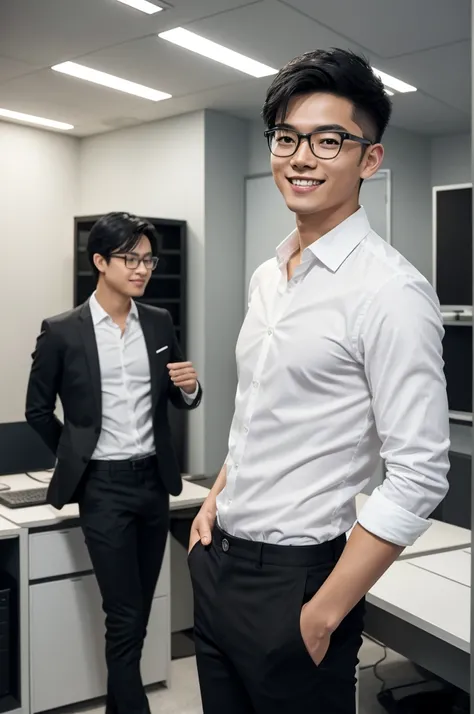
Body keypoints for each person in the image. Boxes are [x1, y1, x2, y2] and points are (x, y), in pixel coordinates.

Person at [188, 49, 450, 714]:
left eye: (328, 139)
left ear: (369, 159)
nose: (300, 157)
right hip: (220, 563)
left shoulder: (391, 292)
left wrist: (324, 612)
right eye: (286, 137)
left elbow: (419, 473)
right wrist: (216, 497)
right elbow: (260, 411)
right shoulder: (268, 274)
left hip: (298, 584)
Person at [26, 211, 202, 714]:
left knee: (139, 614)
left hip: (153, 482)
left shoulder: (160, 321)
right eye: (131, 258)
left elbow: (178, 395)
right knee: (124, 615)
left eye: (148, 259)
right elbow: (36, 410)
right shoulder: (62, 331)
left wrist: (190, 390)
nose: (142, 269)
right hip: (101, 487)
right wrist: (75, 455)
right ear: (100, 261)